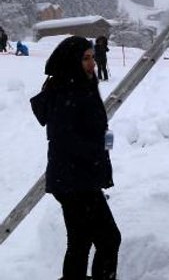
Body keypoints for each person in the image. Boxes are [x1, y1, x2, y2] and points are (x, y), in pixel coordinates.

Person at [30, 36, 121, 280]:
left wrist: (105, 143)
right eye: (86, 58)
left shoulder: (81, 84)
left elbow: (96, 127)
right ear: (72, 61)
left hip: (75, 178)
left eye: (93, 57)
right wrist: (98, 151)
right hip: (75, 181)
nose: (92, 63)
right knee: (109, 239)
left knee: (80, 241)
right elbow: (65, 139)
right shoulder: (67, 91)